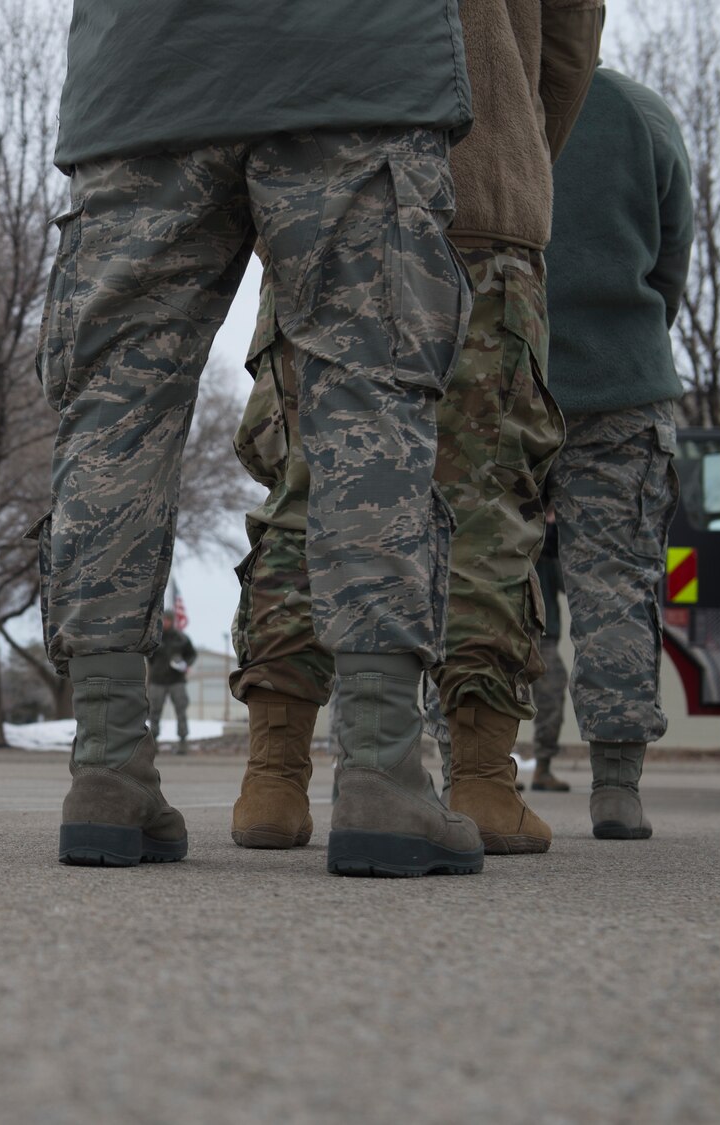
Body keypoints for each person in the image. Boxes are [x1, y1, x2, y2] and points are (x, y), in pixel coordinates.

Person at [39, 1, 479, 874]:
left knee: (115, 421)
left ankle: (106, 771)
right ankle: (384, 775)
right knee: (371, 410)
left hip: (144, 72)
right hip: (356, 63)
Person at [230, 0, 602, 860]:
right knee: (487, 500)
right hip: (482, 201)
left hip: (315, 207)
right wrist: (513, 153)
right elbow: (569, 47)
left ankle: (273, 778)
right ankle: (480, 776)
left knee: (307, 487)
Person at [543, 65, 693, 840]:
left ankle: (474, 765)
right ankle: (616, 786)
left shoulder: (481, 96)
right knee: (617, 588)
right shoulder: (640, 111)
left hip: (505, 379)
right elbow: (671, 259)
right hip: (624, 384)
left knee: (483, 579)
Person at [527, 512, 571, 791]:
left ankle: (542, 767)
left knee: (552, 697)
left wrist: (557, 544)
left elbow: (568, 585)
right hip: (506, 629)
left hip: (544, 635)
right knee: (495, 698)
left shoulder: (553, 542)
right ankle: (492, 771)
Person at [146, 616, 198, 755]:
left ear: (172, 621)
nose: (166, 622)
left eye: (169, 620)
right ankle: (153, 742)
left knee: (181, 711)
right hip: (158, 681)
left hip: (177, 681)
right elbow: (149, 656)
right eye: (164, 620)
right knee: (154, 712)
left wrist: (185, 664)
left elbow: (192, 654)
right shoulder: (155, 637)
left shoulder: (181, 638)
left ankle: (183, 742)